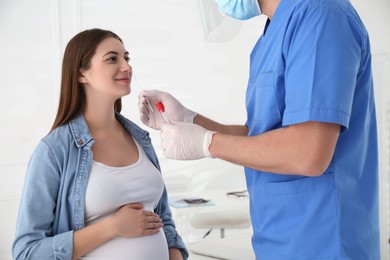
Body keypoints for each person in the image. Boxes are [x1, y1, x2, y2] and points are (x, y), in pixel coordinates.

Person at [138, 0, 380, 259]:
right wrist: (193, 120)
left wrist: (208, 143)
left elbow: (308, 153)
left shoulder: (320, 15)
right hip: (278, 238)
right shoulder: (273, 32)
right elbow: (264, 137)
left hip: (322, 240)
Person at [12, 28, 188, 260]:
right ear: (80, 74)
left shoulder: (141, 139)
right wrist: (112, 226)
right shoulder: (54, 150)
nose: (126, 67)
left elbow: (163, 219)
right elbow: (27, 252)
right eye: (112, 59)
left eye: (126, 57)